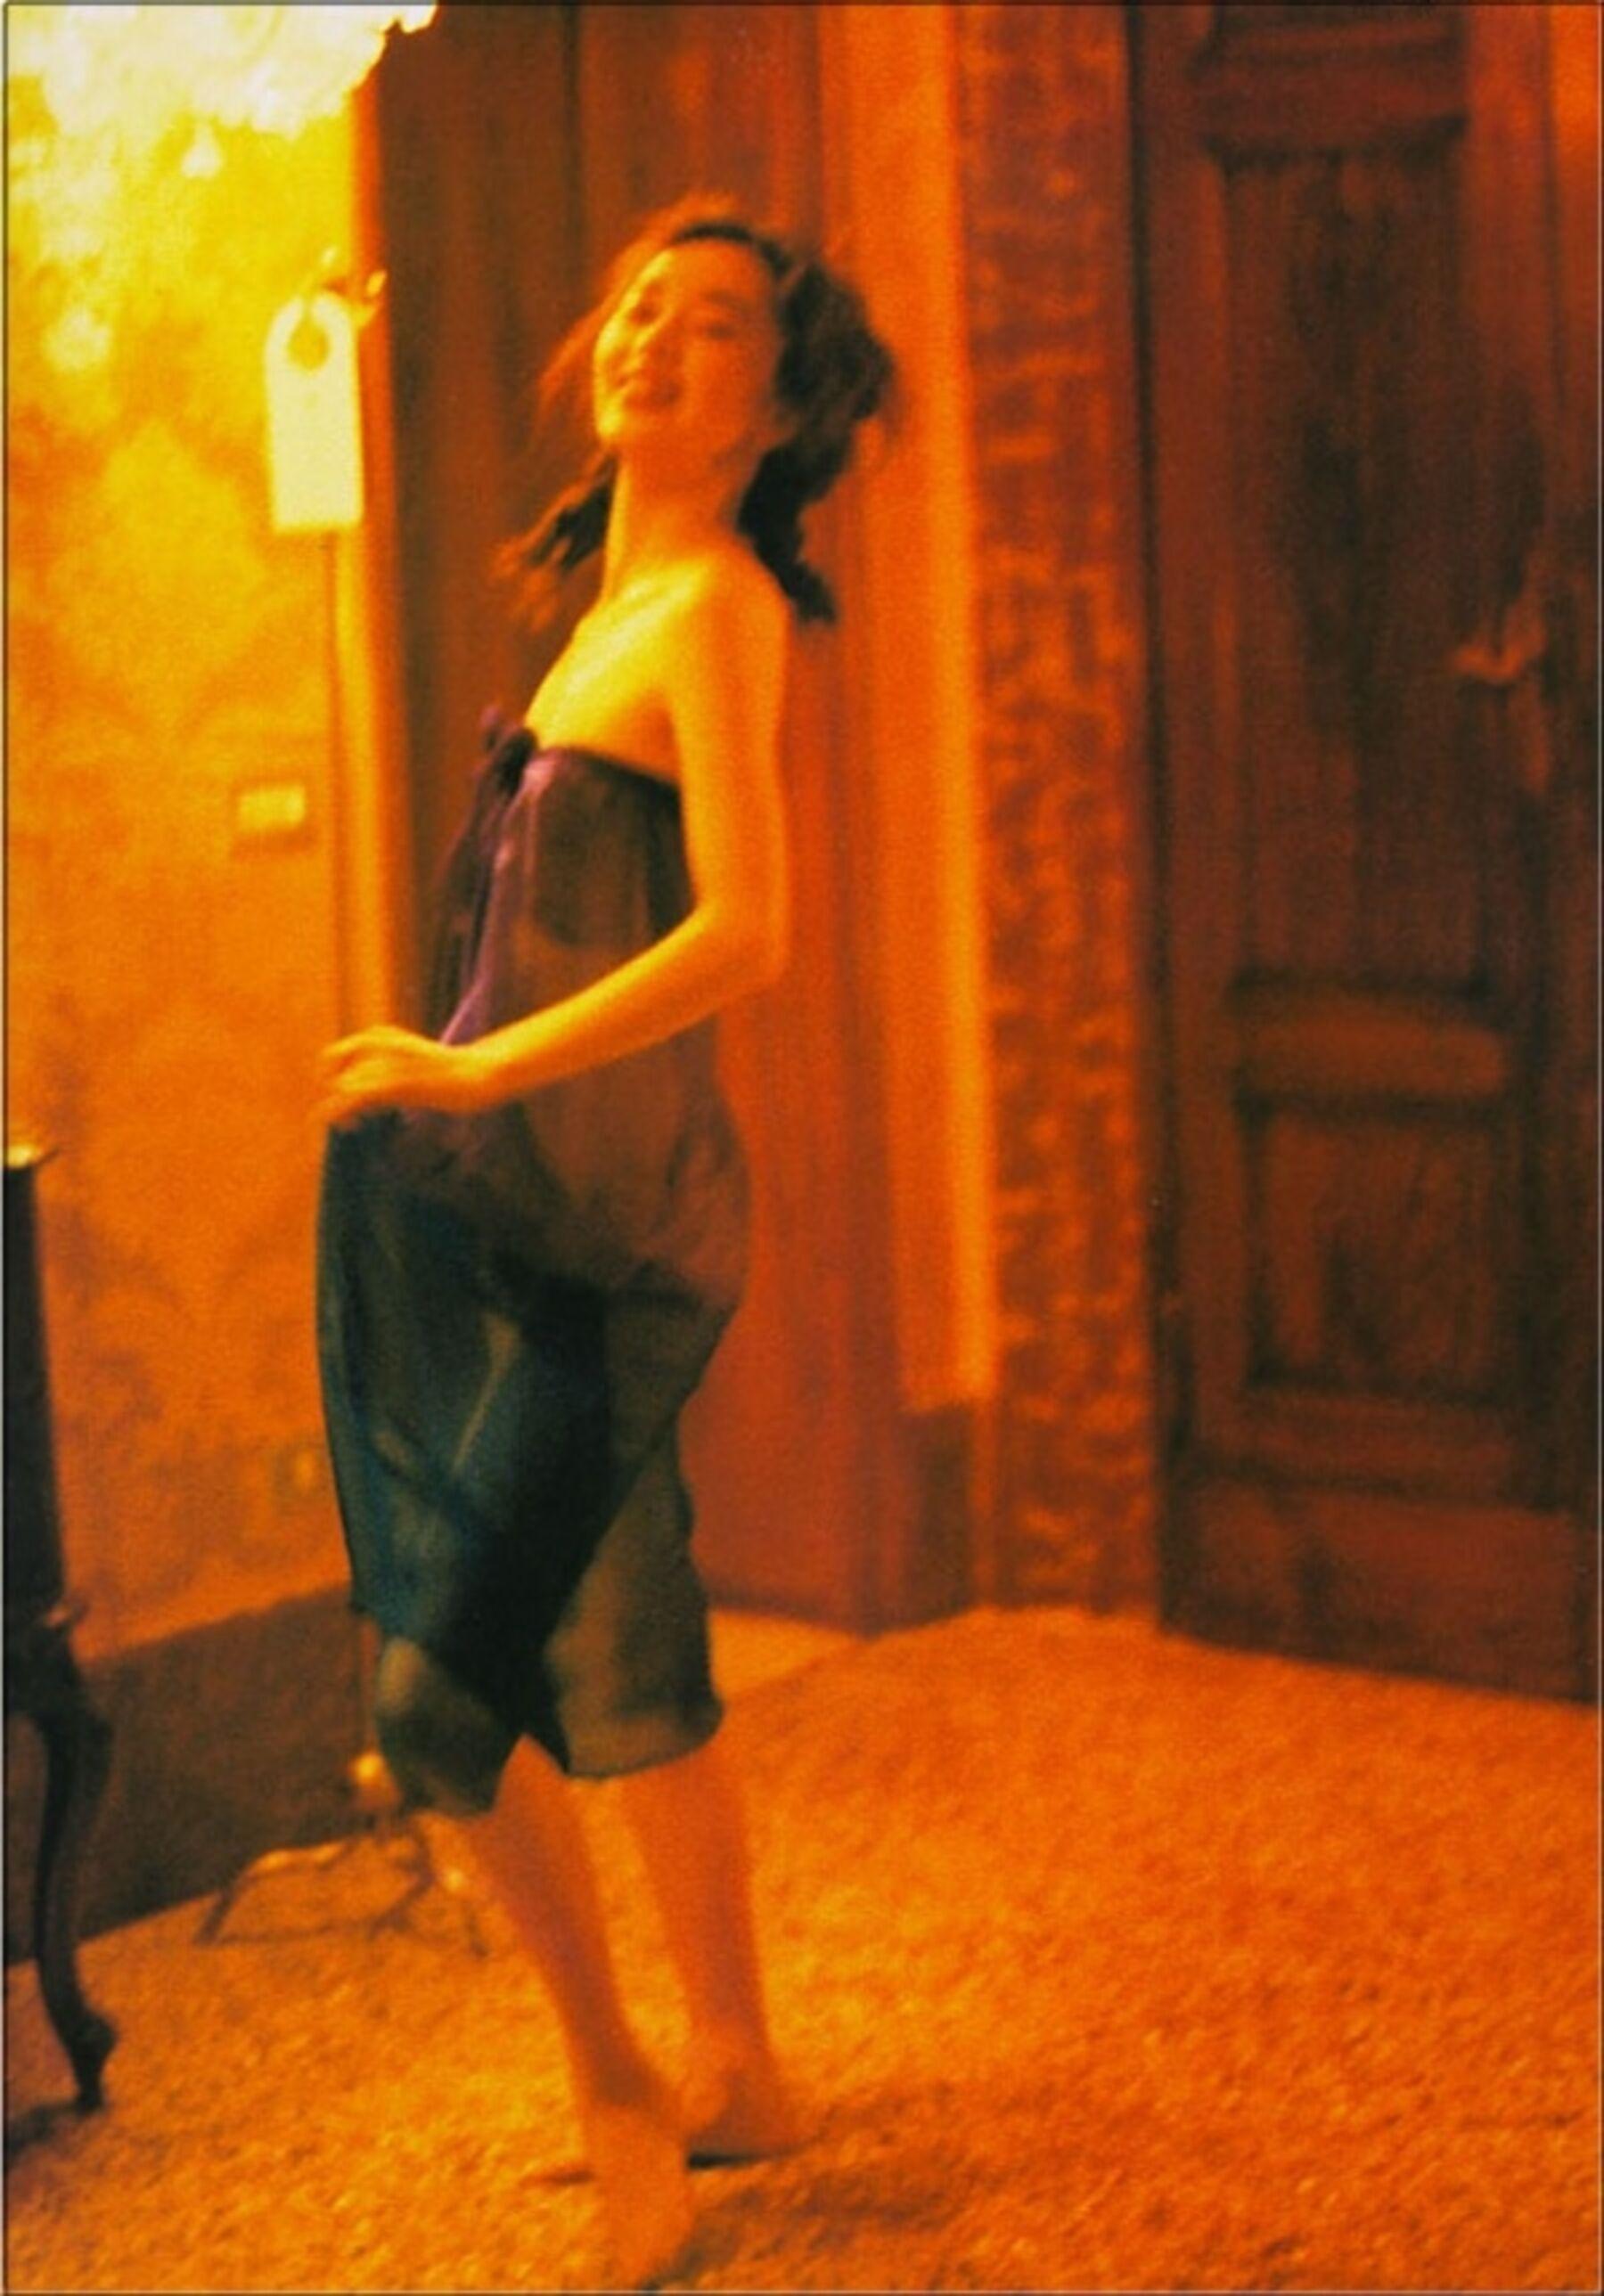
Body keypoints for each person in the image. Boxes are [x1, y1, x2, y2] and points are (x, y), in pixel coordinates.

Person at [314, 196, 895, 2287]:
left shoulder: (716, 608)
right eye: (643, 302)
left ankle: (617, 2081)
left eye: (715, 322)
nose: (655, 333)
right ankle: (742, 2061)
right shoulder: (609, 607)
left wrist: (472, 1070)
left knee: (430, 1701)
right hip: (530, 1199)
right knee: (630, 1631)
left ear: (776, 405)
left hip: (611, 1224)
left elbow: (752, 929)